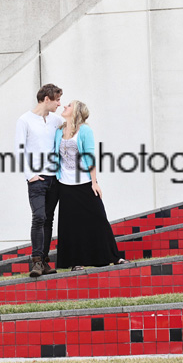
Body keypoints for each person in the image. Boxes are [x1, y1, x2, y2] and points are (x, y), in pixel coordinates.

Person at [54, 100, 126, 270]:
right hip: (65, 185)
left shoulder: (85, 131)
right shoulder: (59, 131)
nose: (65, 106)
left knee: (98, 219)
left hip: (85, 183)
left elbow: (90, 157)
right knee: (71, 225)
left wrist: (95, 183)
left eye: (69, 105)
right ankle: (76, 262)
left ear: (77, 111)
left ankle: (114, 257)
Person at [15, 84, 64, 277]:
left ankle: (44, 261)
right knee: (39, 217)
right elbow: (19, 150)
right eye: (57, 100)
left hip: (55, 178)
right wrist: (30, 175)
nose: (59, 104)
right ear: (46, 99)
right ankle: (36, 261)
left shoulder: (56, 120)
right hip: (37, 179)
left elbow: (73, 127)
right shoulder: (24, 120)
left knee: (48, 220)